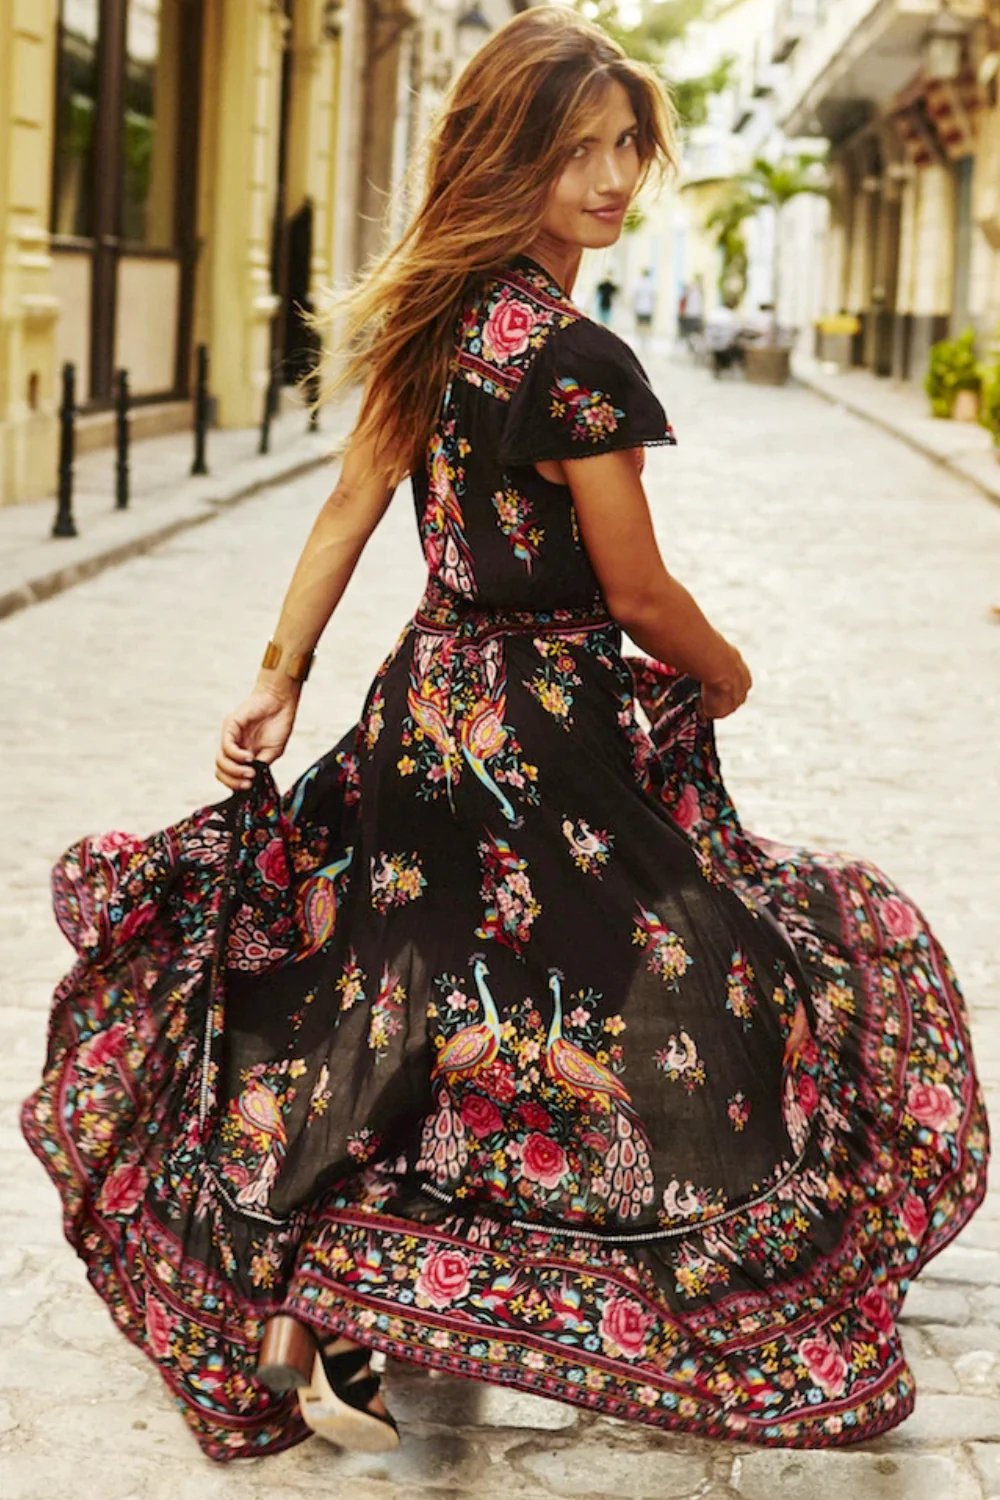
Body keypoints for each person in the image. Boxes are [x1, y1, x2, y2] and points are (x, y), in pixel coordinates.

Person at [21, 5, 987, 1467]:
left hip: (422, 714)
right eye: (574, 151)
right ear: (507, 158)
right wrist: (727, 674)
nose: (607, 179)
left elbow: (353, 506)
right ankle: (712, 1294)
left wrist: (286, 677)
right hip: (542, 734)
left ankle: (312, 1308)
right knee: (714, 973)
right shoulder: (579, 362)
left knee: (399, 1000)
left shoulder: (444, 316)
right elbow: (636, 588)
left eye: (623, 150)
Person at [632, 265, 656, 354]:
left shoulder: (638, 283)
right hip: (648, 308)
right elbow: (654, 297)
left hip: (639, 307)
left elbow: (635, 296)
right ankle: (646, 342)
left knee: (639, 325)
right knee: (647, 326)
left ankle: (640, 341)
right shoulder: (651, 284)